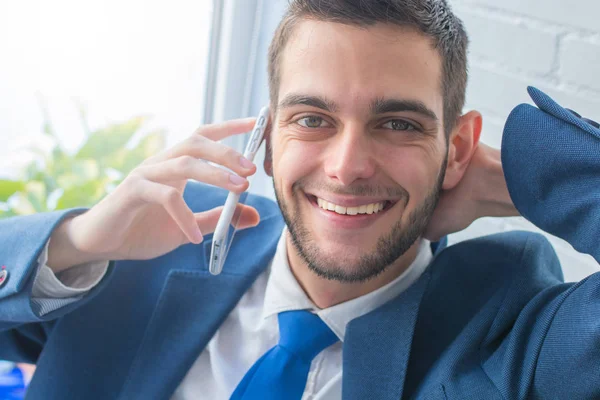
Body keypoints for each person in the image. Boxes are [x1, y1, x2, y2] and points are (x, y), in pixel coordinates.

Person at [1, 0, 599, 399]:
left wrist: (516, 178)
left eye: (398, 124)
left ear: (458, 147)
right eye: (312, 118)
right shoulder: (150, 245)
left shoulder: (504, 324)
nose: (346, 168)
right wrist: (78, 240)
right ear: (266, 142)